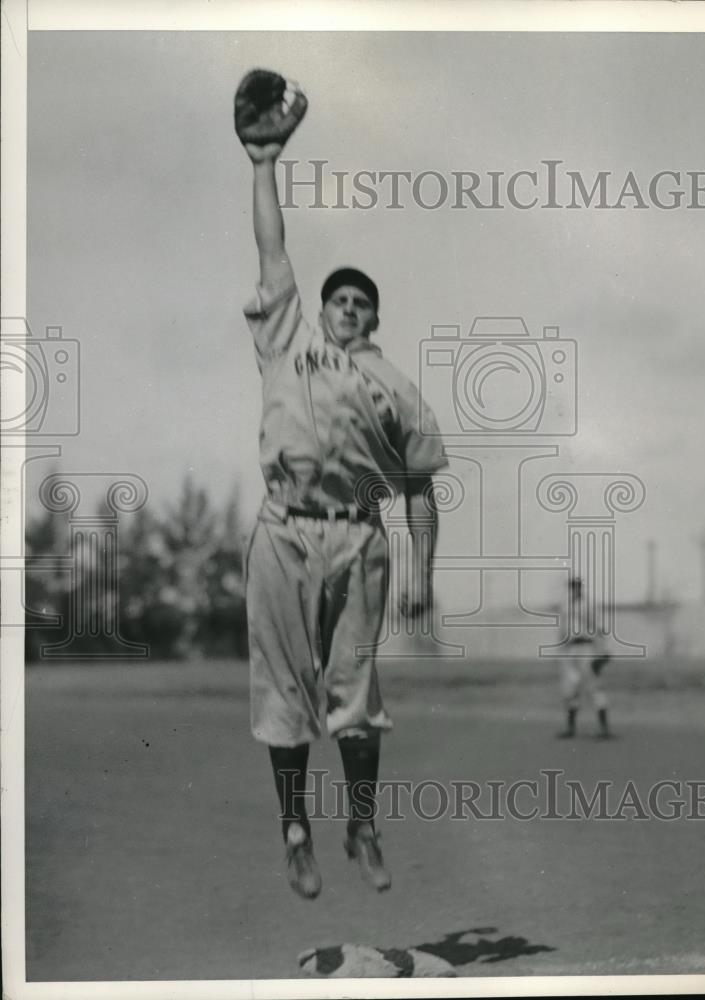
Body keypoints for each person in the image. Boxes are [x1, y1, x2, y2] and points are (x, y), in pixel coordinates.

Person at [238, 98, 448, 900]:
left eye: (361, 302)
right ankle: (295, 828)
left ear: (376, 317)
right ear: (322, 311)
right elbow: (271, 248)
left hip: (360, 539)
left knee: (355, 697)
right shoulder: (290, 344)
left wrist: (423, 572)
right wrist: (263, 164)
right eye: (339, 300)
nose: (348, 308)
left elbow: (421, 489)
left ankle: (361, 822)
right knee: (283, 690)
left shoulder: (395, 387)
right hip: (284, 531)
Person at [555, 576, 613, 739]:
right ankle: (571, 728)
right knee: (570, 687)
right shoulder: (565, 606)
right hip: (570, 649)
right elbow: (562, 631)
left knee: (594, 685)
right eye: (572, 587)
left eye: (577, 587)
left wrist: (604, 651)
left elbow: (600, 628)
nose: (575, 590)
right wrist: (560, 651)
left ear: (581, 588)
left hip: (587, 647)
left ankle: (604, 729)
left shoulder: (589, 604)